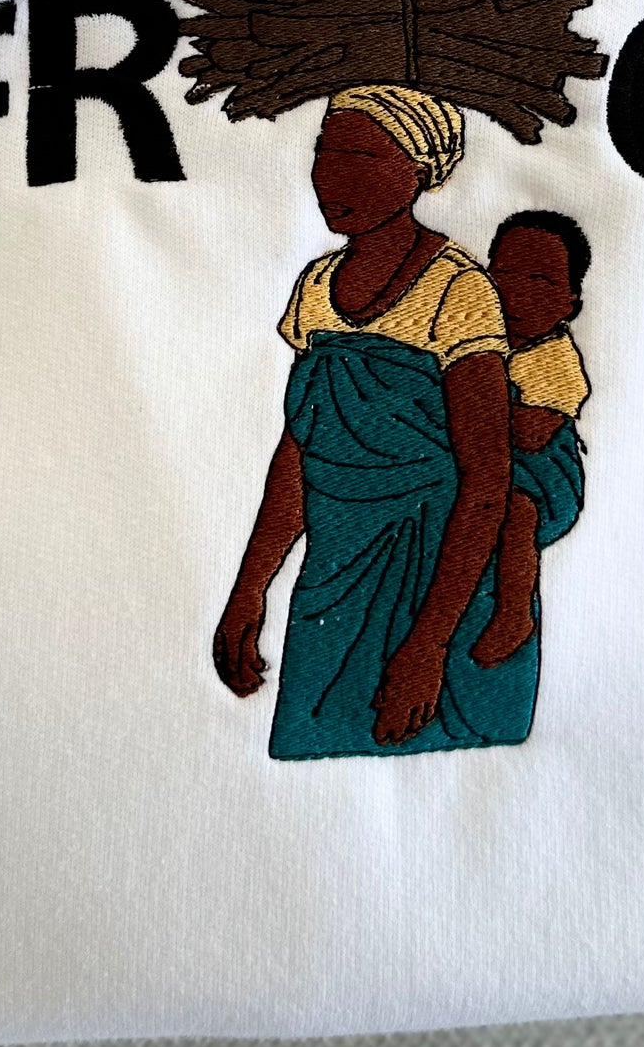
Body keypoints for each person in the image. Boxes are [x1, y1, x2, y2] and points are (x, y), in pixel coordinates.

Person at [210, 84, 538, 756]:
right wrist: (249, 588)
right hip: (335, 570)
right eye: (323, 154)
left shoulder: (459, 290)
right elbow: (299, 452)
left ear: (418, 169)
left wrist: (429, 643)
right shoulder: (315, 289)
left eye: (359, 154)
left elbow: (486, 477)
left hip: (431, 574)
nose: (332, 176)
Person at [469, 211, 591, 669]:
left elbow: (533, 433)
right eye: (503, 274)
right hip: (483, 460)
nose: (517, 291)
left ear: (570, 302)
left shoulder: (553, 359)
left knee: (515, 513)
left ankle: (513, 611)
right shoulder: (475, 335)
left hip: (541, 475)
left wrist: (469, 405)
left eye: (540, 280)